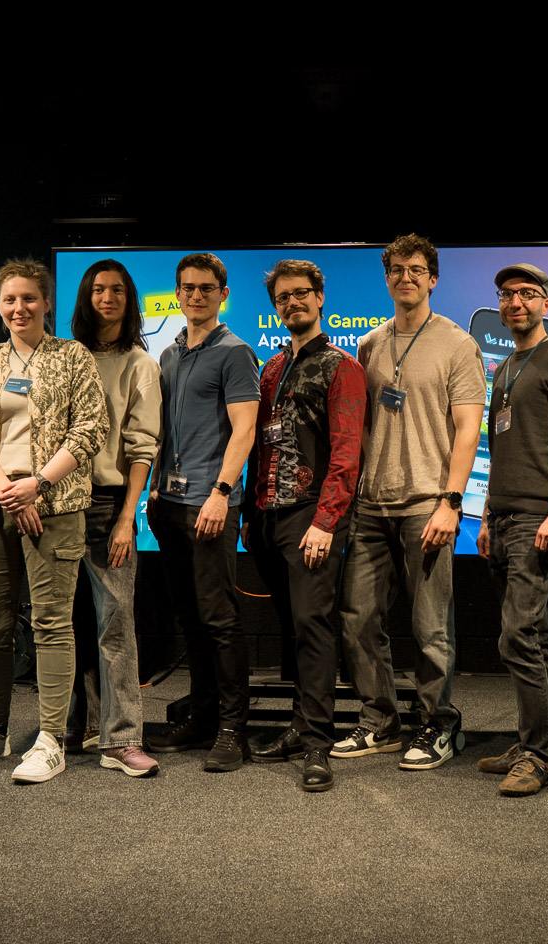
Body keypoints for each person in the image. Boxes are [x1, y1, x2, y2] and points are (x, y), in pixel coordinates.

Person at [0, 258, 108, 784]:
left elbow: (91, 427)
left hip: (54, 506)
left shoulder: (73, 356)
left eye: (29, 298)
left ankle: (51, 740)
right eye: (10, 299)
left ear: (46, 302)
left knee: (52, 623)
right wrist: (8, 490)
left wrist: (37, 484)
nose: (20, 308)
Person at [334, 234, 486, 771]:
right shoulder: (370, 345)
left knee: (430, 628)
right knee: (357, 620)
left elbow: (468, 429)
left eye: (416, 269)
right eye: (397, 269)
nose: (406, 277)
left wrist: (452, 501)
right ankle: (380, 722)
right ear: (387, 278)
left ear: (433, 278)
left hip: (427, 503)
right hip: (371, 504)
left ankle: (439, 724)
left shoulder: (457, 344)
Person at [474, 264, 548, 797]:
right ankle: (539, 745)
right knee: (539, 637)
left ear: (546, 302)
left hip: (536, 518)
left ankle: (539, 755)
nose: (515, 302)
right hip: (502, 517)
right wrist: (485, 515)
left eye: (526, 294)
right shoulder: (504, 367)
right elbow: (498, 447)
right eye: (507, 294)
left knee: (518, 634)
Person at [244, 260, 365, 792]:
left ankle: (318, 741)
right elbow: (258, 444)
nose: (292, 303)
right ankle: (298, 727)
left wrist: (325, 521)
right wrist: (249, 514)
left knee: (313, 626)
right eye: (283, 297)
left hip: (312, 516)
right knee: (292, 627)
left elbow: (347, 453)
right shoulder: (271, 368)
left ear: (320, 298)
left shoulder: (343, 367)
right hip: (267, 517)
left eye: (301, 294)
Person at [145, 252, 260, 772]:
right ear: (177, 293)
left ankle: (234, 729)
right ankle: (204, 718)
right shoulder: (169, 353)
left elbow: (245, 430)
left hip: (210, 505)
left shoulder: (235, 352)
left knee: (219, 618)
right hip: (169, 505)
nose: (196, 295)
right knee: (190, 617)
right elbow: (163, 431)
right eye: (188, 288)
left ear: (223, 294)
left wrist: (221, 491)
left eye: (206, 288)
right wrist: (153, 489)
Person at [66, 259, 161, 778]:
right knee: (63, 624)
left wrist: (128, 517)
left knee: (115, 624)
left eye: (118, 290)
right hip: (58, 502)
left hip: (108, 505)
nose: (107, 297)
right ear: (86, 296)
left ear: (130, 299)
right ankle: (73, 728)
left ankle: (122, 738)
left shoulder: (139, 364)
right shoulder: (64, 356)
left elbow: (143, 445)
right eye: (99, 289)